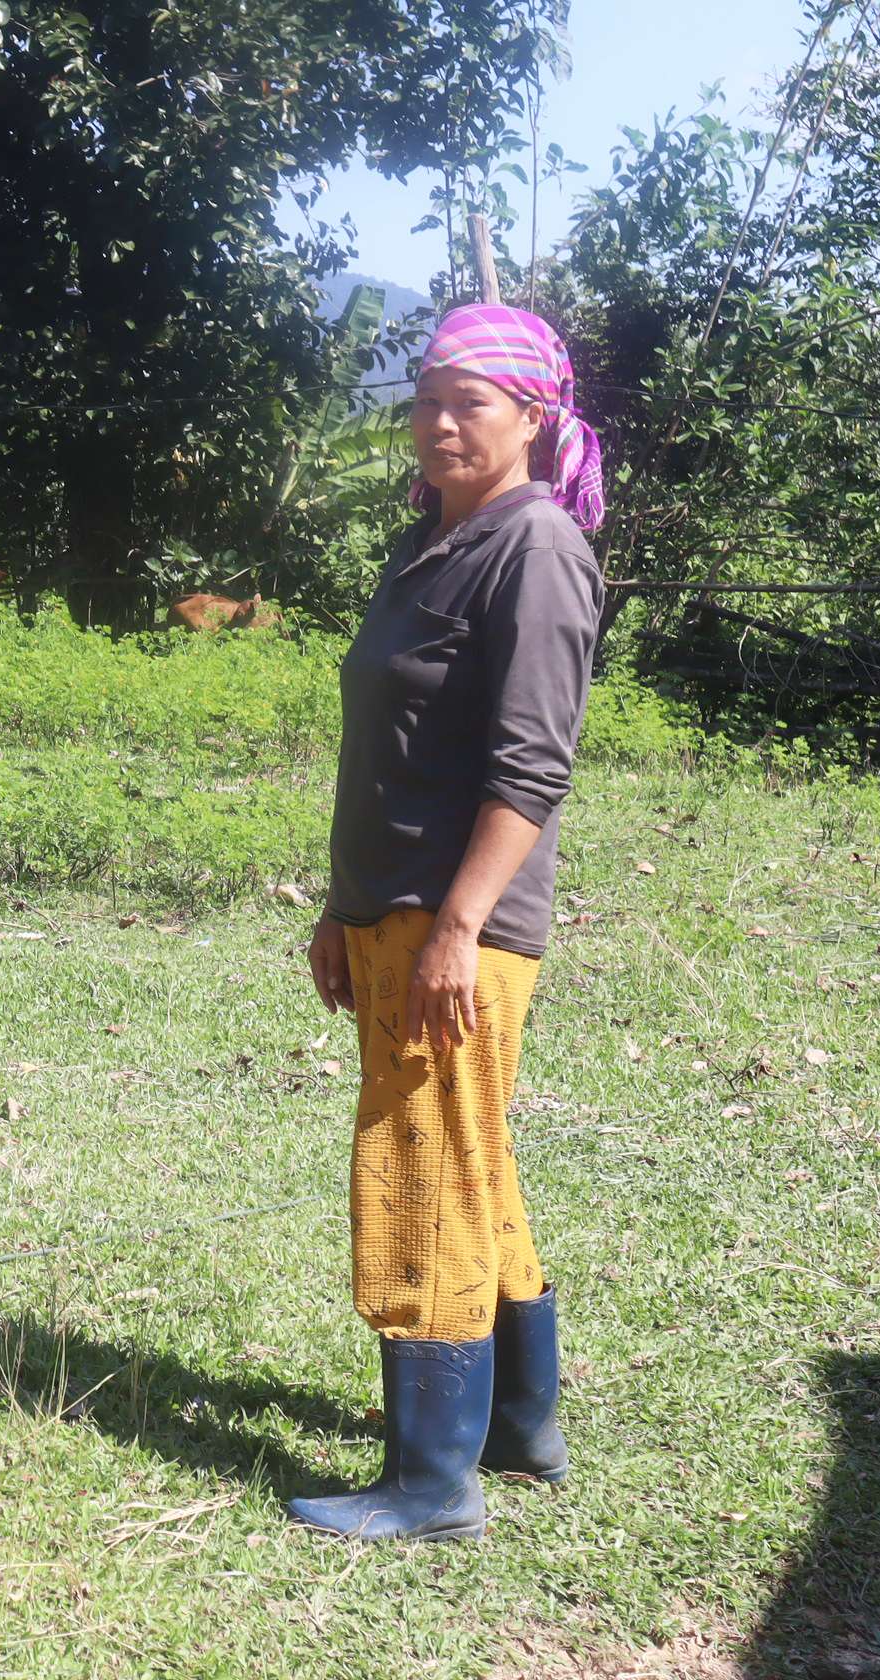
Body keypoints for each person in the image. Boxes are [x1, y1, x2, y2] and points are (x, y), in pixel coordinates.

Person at [287, 304, 607, 1544]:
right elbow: (391, 748)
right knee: (471, 1159)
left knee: (420, 1170)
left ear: (534, 416)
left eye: (470, 400)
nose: (437, 420)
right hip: (392, 912)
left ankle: (430, 1482)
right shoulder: (431, 541)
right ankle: (521, 1424)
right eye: (425, 396)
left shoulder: (533, 550)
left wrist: (455, 928)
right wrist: (341, 904)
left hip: (454, 926)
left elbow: (529, 770)